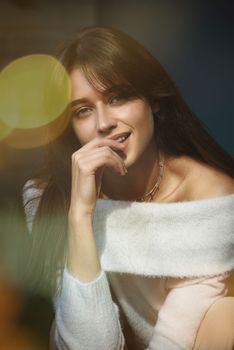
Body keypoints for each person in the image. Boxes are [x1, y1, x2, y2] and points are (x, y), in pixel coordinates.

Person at [22, 26, 234, 350]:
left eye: (117, 97)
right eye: (83, 110)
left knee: (226, 314)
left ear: (155, 102)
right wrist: (80, 214)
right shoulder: (48, 196)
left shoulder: (208, 200)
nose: (104, 123)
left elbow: (175, 340)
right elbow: (88, 346)